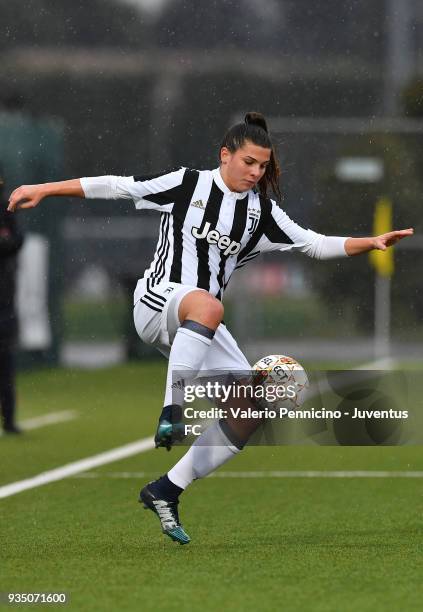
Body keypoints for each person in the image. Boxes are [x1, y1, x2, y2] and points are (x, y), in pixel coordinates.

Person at [7, 112, 413, 543]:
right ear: (225, 155)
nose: (256, 173)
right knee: (210, 307)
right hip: (158, 301)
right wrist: (44, 189)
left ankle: (166, 489)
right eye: (248, 163)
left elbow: (313, 243)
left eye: (262, 166)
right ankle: (172, 411)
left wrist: (368, 242)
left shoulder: (261, 213)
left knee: (262, 401)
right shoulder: (187, 184)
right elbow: (116, 185)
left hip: (201, 323)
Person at [0, 171, 24, 434]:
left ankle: (9, 418)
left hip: (4, 302)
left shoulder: (6, 210)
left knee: (5, 362)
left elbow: (16, 241)